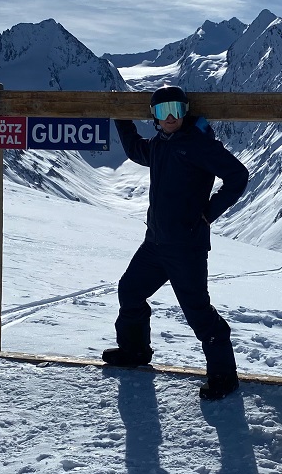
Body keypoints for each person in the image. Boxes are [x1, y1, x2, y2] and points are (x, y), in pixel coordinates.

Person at [102, 85, 250, 401]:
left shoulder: (199, 144)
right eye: (161, 111)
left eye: (176, 110)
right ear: (154, 117)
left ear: (185, 112)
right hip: (155, 244)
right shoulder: (159, 145)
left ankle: (224, 377)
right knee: (130, 291)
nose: (169, 117)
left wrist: (208, 214)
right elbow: (132, 149)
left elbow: (238, 176)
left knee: (198, 313)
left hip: (186, 248)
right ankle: (135, 351)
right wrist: (121, 115)